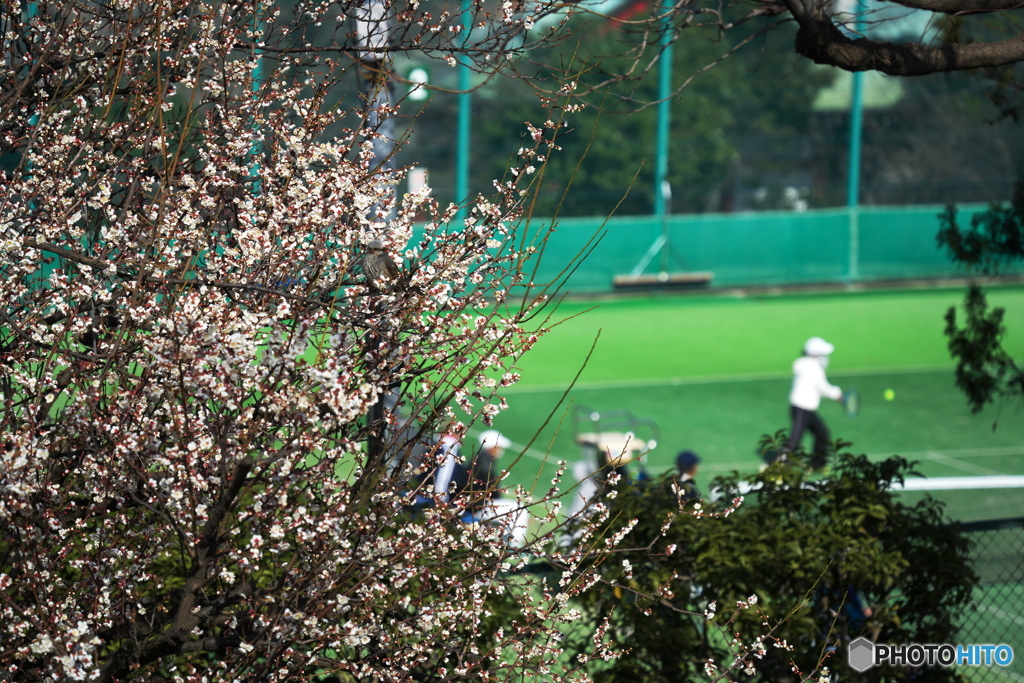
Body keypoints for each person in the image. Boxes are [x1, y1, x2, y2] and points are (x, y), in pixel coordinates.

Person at [786, 336, 844, 470]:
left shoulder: (809, 365)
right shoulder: (812, 368)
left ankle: (817, 464)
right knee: (794, 442)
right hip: (801, 408)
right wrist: (837, 395)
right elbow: (822, 387)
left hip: (808, 409)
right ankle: (776, 467)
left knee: (822, 434)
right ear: (816, 354)